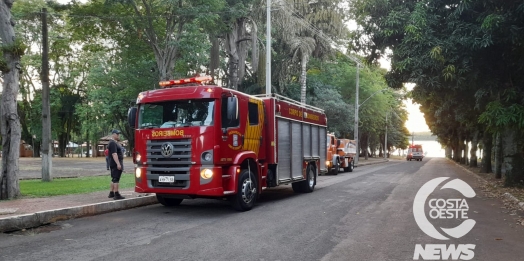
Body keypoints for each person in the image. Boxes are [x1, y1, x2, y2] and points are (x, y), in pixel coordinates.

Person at [108, 129, 125, 200]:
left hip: (114, 163)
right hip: (115, 163)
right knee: (116, 179)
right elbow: (114, 154)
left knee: (113, 178)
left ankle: (111, 193)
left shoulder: (114, 142)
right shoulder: (112, 143)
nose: (118, 135)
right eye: (117, 134)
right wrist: (118, 164)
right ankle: (116, 194)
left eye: (119, 134)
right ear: (113, 134)